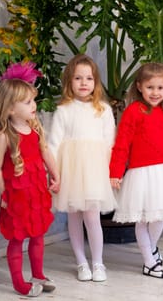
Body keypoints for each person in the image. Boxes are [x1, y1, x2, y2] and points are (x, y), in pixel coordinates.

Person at [109, 62, 163, 279]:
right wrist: (115, 172)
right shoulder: (133, 111)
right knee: (143, 219)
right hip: (142, 173)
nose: (155, 93)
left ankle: (152, 250)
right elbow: (122, 143)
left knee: (160, 217)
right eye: (150, 87)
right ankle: (149, 262)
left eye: (160, 88)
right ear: (139, 86)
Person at [0, 62, 60, 297]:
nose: (34, 105)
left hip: (36, 192)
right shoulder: (4, 136)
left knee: (38, 235)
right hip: (17, 196)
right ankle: (19, 283)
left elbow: (46, 152)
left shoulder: (35, 129)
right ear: (10, 108)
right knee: (18, 239)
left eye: (33, 100)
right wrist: (4, 194)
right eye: (27, 102)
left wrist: (56, 174)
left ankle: (38, 274)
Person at [48, 54, 117, 282]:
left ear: (96, 82)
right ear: (69, 82)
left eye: (89, 78)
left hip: (95, 173)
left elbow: (110, 143)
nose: (84, 83)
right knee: (74, 218)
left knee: (93, 217)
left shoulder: (103, 110)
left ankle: (98, 262)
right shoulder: (64, 110)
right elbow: (53, 145)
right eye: (78, 78)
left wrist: (109, 172)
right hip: (71, 172)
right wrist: (54, 174)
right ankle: (81, 262)